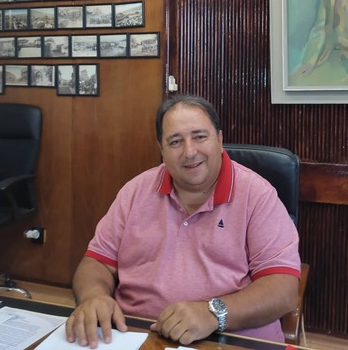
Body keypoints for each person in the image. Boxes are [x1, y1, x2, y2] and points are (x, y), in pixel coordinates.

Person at [66, 95, 301, 348]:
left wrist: (213, 313)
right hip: (136, 335)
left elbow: (283, 287)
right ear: (161, 149)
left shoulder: (257, 195)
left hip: (229, 339)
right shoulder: (135, 191)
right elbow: (97, 262)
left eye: (199, 137)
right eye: (175, 141)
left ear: (219, 139)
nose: (189, 152)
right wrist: (93, 297)